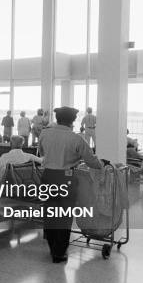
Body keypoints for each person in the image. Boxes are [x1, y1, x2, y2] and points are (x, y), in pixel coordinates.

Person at [38, 106, 103, 264]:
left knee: (50, 212)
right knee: (64, 216)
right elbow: (90, 160)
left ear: (58, 118)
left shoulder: (44, 133)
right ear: (73, 121)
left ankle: (52, 246)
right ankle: (59, 252)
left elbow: (41, 153)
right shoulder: (76, 138)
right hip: (66, 178)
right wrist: (101, 164)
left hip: (47, 176)